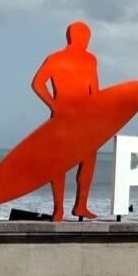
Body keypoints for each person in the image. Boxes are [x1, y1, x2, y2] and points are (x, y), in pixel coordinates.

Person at [31, 21, 99, 222]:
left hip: (82, 118)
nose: (87, 41)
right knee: (59, 163)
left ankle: (80, 206)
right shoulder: (57, 59)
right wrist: (53, 105)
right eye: (85, 37)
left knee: (87, 159)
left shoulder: (89, 60)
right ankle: (59, 209)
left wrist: (100, 117)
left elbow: (94, 91)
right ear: (75, 37)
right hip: (64, 118)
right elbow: (37, 83)